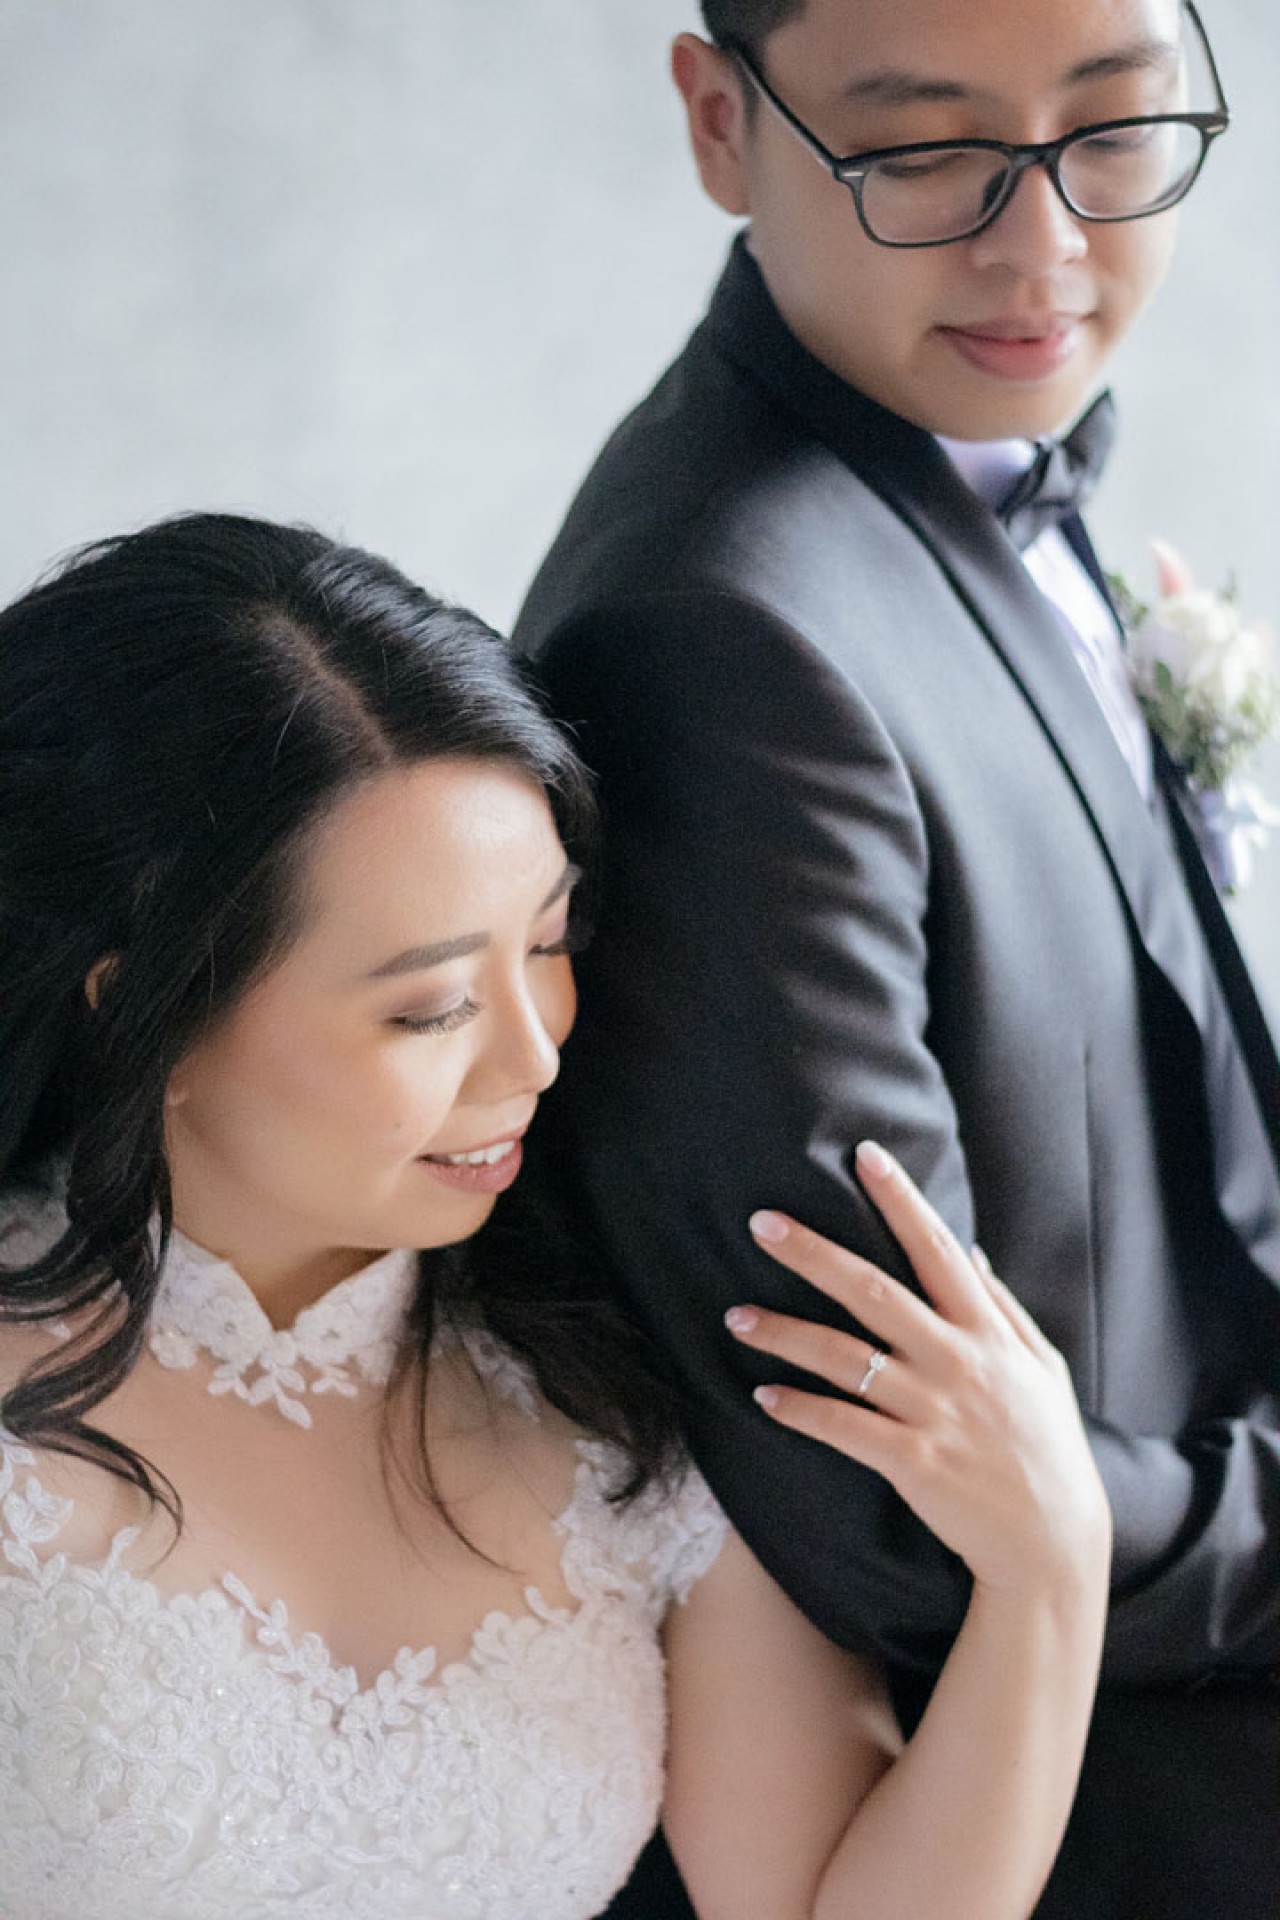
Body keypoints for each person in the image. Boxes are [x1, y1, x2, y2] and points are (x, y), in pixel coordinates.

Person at [0, 511, 1109, 1920]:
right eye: (430, 1008)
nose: (532, 1056)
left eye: (550, 943)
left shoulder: (616, 1399)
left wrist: (1052, 1573)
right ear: (138, 1012)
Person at [514, 1, 1280, 1915]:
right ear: (720, 120)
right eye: (926, 150)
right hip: (1105, 1806)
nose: (1046, 249)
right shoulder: (719, 637)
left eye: (1115, 129)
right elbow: (890, 1510)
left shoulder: (960, 451)